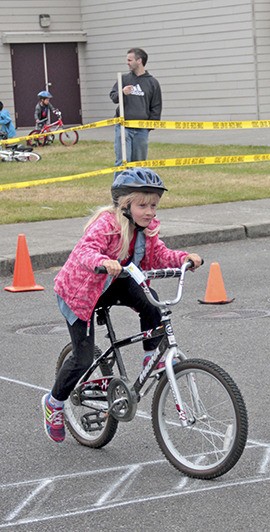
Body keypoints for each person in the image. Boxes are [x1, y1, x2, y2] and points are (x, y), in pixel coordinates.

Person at [42, 167, 202, 443]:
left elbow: (158, 255)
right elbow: (85, 251)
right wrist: (102, 261)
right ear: (124, 205)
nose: (150, 211)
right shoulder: (106, 224)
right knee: (83, 356)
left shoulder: (147, 228)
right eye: (143, 205)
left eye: (154, 205)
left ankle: (151, 358)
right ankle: (54, 403)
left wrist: (183, 258)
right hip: (83, 290)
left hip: (116, 281)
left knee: (153, 305)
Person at [110, 48, 162, 177]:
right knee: (122, 162)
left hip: (141, 130)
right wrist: (122, 93)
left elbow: (156, 106)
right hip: (123, 127)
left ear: (139, 61)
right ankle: (120, 191)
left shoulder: (152, 83)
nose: (127, 62)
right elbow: (113, 97)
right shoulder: (124, 79)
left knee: (139, 163)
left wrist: (150, 126)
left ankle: (138, 192)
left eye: (130, 60)